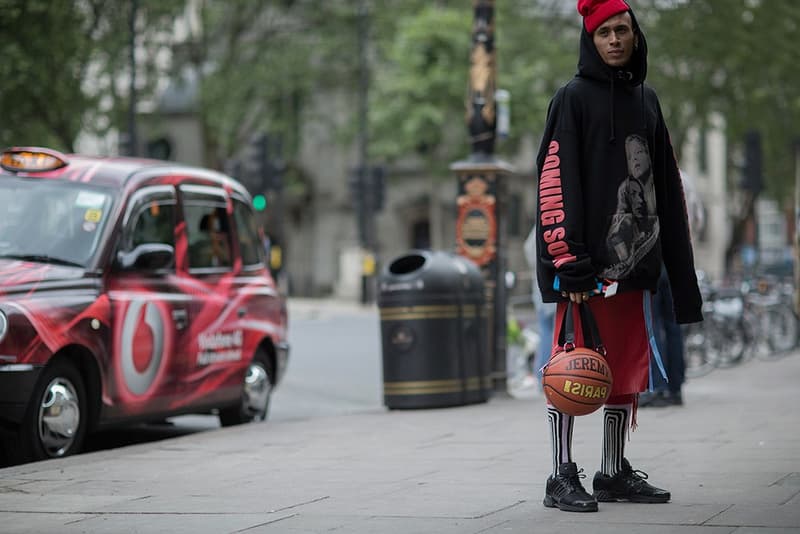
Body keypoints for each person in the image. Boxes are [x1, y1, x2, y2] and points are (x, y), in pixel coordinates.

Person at [534, 0, 703, 513]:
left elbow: (668, 191)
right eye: (603, 32)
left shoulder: (648, 101)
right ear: (590, 39)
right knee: (572, 370)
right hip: (583, 273)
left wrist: (681, 275)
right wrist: (569, 261)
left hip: (636, 269)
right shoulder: (571, 99)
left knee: (626, 371)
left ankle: (611, 473)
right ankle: (560, 474)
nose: (614, 40)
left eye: (622, 30)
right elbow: (555, 182)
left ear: (634, 34)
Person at [524, 225, 556, 390]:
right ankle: (547, 377)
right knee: (550, 334)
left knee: (546, 332)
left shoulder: (541, 225)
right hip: (550, 286)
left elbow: (529, 248)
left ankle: (543, 378)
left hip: (542, 286)